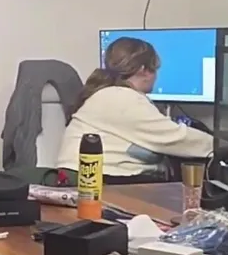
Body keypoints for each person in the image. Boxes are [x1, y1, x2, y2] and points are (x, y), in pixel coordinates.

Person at [57, 36, 213, 181]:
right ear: (143, 70)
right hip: (95, 181)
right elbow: (176, 138)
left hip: (85, 178)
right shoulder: (121, 97)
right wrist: (220, 145)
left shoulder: (108, 93)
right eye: (155, 69)